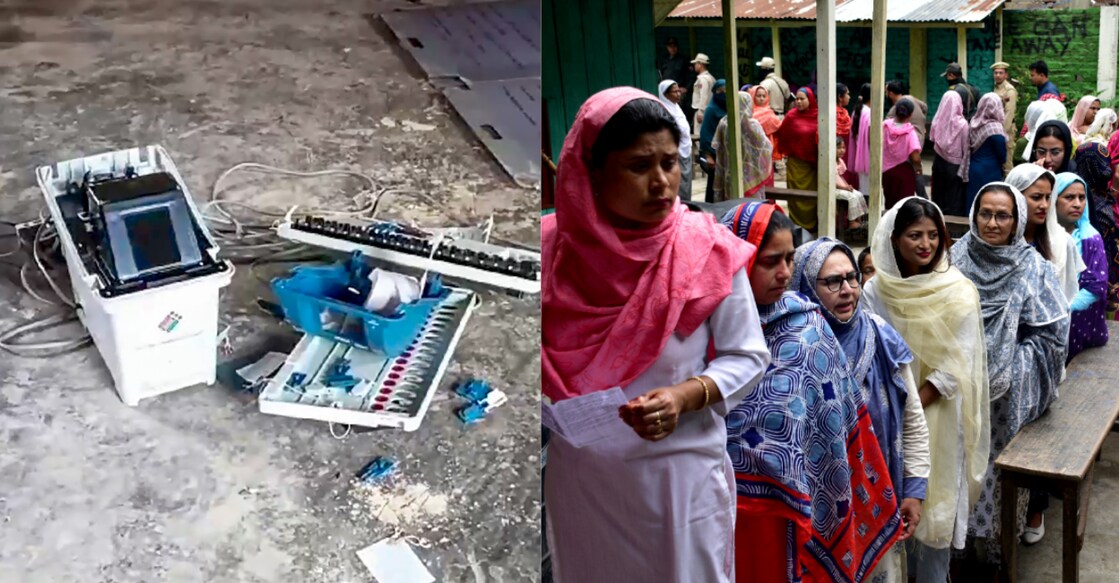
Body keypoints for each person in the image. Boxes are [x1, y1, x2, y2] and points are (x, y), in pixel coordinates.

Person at [541, 87, 771, 583]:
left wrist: (684, 397)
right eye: (639, 166)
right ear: (593, 171)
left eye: (669, 163)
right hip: (585, 480)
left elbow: (748, 355)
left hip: (678, 480)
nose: (661, 182)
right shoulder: (553, 251)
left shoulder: (704, 248)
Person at [720, 201, 900, 583]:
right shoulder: (703, 327)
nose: (784, 273)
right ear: (735, 258)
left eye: (789, 259)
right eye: (771, 261)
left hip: (789, 521)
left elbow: (837, 429)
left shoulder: (808, 331)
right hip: (716, 508)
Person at [862, 197, 990, 583]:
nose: (926, 244)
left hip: (938, 410)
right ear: (894, 238)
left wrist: (912, 406)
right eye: (915, 235)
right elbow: (872, 352)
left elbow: (957, 363)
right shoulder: (876, 290)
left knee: (936, 508)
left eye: (933, 235)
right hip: (887, 410)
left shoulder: (959, 290)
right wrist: (896, 408)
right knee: (891, 503)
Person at [792, 238, 931, 583]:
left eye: (852, 277)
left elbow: (912, 419)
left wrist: (914, 489)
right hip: (812, 517)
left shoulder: (879, 335)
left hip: (878, 505)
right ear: (804, 285)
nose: (847, 290)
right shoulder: (791, 349)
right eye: (832, 281)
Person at [950, 182, 1069, 567]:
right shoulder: (955, 258)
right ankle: (957, 548)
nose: (992, 223)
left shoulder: (1033, 267)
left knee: (999, 474)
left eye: (1002, 216)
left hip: (1007, 399)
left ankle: (999, 553)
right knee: (957, 466)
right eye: (985, 214)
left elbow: (1053, 334)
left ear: (1017, 220)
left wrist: (1013, 365)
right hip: (957, 389)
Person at [1006, 164, 1084, 305]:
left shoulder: (1061, 242)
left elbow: (1065, 296)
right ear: (1014, 198)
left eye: (1048, 197)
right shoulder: (998, 238)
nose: (1044, 205)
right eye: (1036, 197)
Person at [1053, 172, 1110, 359]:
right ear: (1053, 199)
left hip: (1079, 324)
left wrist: (1061, 310)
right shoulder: (1041, 237)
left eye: (1082, 197)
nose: (1077, 204)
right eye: (1069, 197)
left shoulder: (1090, 238)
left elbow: (1096, 286)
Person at [1074, 142, 1119, 315]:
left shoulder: (1099, 196)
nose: (1107, 171)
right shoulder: (1090, 204)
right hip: (1100, 275)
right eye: (1103, 164)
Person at [712, 91, 774, 201]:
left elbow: (719, 149)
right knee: (750, 207)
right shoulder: (752, 125)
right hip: (751, 174)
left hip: (730, 172)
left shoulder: (724, 122)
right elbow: (766, 148)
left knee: (732, 203)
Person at [776, 88, 821, 230]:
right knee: (795, 197)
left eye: (802, 99)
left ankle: (812, 225)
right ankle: (796, 225)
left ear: (810, 100)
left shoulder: (819, 116)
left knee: (812, 196)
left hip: (813, 166)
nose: (799, 102)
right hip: (795, 165)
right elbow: (782, 135)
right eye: (797, 99)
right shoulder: (791, 116)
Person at [929, 91, 970, 217]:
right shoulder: (963, 124)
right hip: (955, 167)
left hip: (938, 161)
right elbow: (966, 148)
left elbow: (932, 138)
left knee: (938, 196)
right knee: (953, 199)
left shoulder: (937, 120)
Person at [966, 94, 1009, 211]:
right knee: (989, 205)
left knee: (973, 204)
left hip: (974, 169)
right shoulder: (995, 128)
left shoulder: (974, 123)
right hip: (990, 172)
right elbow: (1002, 156)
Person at [882, 99, 924, 208]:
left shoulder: (885, 126)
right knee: (904, 207)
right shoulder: (909, 132)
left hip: (886, 173)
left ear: (895, 111)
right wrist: (918, 168)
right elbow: (915, 158)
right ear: (910, 115)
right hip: (904, 174)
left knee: (890, 205)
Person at [658, 80, 694, 201]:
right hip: (675, 150)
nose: (678, 94)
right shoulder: (664, 110)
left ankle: (686, 203)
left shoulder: (676, 108)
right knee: (678, 182)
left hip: (685, 149)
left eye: (679, 91)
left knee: (686, 181)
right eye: (675, 92)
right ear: (665, 94)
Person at [698, 80, 728, 202]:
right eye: (719, 91)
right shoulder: (711, 110)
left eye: (726, 91)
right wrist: (708, 155)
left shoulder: (730, 108)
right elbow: (705, 133)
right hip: (715, 155)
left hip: (727, 153)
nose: (723, 94)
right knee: (714, 184)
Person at [1015, 100, 1068, 165]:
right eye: (1041, 152)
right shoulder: (1064, 139)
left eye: (1055, 152)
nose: (1048, 159)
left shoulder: (1023, 142)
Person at [991, 62, 1019, 172]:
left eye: (1000, 73)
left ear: (1006, 75)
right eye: (996, 73)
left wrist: (1002, 133)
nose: (998, 75)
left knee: (1007, 162)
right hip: (997, 128)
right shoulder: (996, 88)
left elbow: (1009, 114)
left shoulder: (1009, 90)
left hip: (1006, 130)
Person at [835, 137, 869, 228]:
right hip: (834, 189)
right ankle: (852, 222)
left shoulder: (840, 161)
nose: (842, 150)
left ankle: (860, 219)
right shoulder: (830, 163)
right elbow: (832, 181)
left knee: (859, 194)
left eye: (843, 147)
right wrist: (844, 188)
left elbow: (841, 177)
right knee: (852, 197)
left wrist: (847, 186)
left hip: (842, 188)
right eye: (838, 148)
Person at [886, 80, 929, 145]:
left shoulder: (894, 109)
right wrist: (922, 124)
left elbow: (886, 126)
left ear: (891, 94)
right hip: (920, 140)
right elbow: (925, 107)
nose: (885, 95)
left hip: (908, 143)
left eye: (886, 92)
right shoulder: (910, 98)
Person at [749, 85, 782, 164]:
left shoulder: (769, 111)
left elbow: (777, 125)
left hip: (767, 146)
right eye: (758, 96)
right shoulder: (749, 112)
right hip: (753, 145)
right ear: (752, 96)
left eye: (764, 96)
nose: (761, 98)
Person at [850, 83, 873, 194]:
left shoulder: (857, 110)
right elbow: (871, 137)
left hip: (859, 153)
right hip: (868, 153)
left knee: (863, 186)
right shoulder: (869, 112)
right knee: (869, 189)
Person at [692, 53, 716, 138]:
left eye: (696, 63)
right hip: (709, 110)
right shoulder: (711, 78)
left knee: (699, 134)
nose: (694, 66)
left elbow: (703, 95)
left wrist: (701, 111)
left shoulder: (703, 79)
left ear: (700, 64)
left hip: (702, 110)